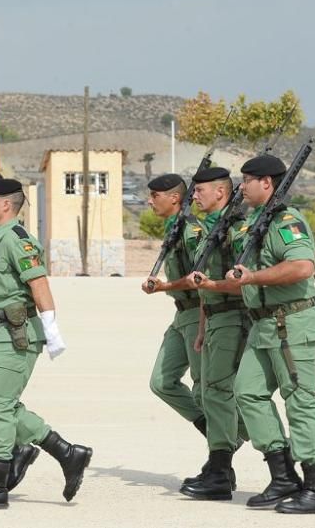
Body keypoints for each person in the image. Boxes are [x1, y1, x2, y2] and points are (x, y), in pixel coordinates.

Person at [0, 178, 91, 509]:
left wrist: (51, 328)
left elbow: (38, 283)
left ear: (6, 205)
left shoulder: (17, 240)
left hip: (18, 331)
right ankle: (68, 453)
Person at [211, 154, 315, 514]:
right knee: (247, 393)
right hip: (264, 326)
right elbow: (248, 281)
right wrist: (218, 285)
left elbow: (300, 265)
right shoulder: (253, 223)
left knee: (300, 399)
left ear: (267, 183)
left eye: (247, 179)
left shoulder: (287, 221)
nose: (242, 185)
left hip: (292, 324)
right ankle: (282, 477)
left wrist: (251, 277)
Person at [177, 166, 250, 500]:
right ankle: (218, 466)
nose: (194, 196)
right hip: (215, 319)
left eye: (200, 190)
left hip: (234, 318)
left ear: (221, 192)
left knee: (220, 393)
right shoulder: (210, 230)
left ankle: (222, 470)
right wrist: (202, 329)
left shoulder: (235, 229)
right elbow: (203, 287)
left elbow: (242, 282)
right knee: (210, 394)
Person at [140, 174, 206, 442]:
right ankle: (215, 431)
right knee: (161, 382)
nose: (149, 201)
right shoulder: (174, 227)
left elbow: (201, 279)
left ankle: (227, 444)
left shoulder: (191, 230)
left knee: (205, 388)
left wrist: (165, 286)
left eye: (155, 196)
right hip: (181, 314)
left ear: (175, 198)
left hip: (196, 312)